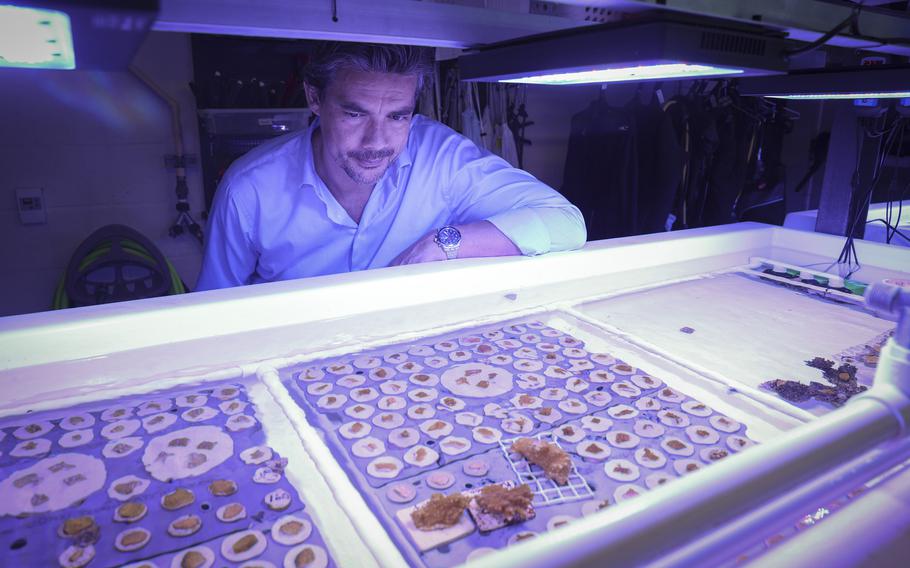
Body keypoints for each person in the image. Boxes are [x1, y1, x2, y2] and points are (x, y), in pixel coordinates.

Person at [196, 42, 585, 290]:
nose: (376, 142)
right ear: (315, 98)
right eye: (354, 114)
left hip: (409, 370)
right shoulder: (248, 188)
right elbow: (209, 316)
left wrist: (442, 243)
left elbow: (566, 223)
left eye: (397, 117)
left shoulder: (441, 157)